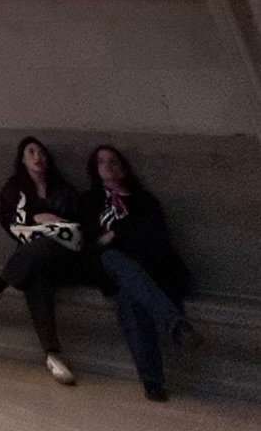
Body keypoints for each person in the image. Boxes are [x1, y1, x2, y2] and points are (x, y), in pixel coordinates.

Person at [79, 144, 198, 401]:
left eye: (113, 160)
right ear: (95, 169)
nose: (108, 165)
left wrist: (116, 234)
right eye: (101, 161)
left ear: (124, 169)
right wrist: (114, 239)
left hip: (148, 267)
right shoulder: (90, 201)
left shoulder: (144, 201)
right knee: (113, 258)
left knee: (131, 297)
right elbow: (90, 242)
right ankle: (175, 323)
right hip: (111, 265)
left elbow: (155, 236)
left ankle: (153, 382)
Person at [0, 136, 89, 384]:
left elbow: (80, 221)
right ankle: (52, 355)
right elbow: (9, 221)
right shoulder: (15, 190)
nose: (38, 157)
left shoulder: (63, 189)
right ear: (22, 160)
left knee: (47, 244)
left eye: (41, 152)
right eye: (31, 152)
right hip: (33, 257)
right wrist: (36, 218)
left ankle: (0, 283)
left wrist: (57, 221)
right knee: (36, 275)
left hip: (66, 255)